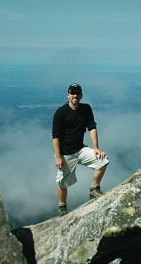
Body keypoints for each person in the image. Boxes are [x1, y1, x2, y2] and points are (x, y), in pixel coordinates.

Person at [52, 83, 109, 216]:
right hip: (65, 153)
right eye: (73, 93)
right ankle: (62, 207)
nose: (75, 96)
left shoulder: (86, 109)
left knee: (103, 161)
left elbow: (92, 127)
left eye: (78, 93)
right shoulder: (61, 113)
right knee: (62, 182)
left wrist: (96, 148)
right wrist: (58, 156)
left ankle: (94, 189)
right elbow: (56, 136)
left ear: (81, 95)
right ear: (68, 95)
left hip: (80, 149)